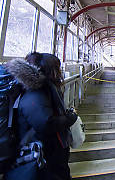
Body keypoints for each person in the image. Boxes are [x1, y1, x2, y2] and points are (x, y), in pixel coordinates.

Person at [5, 52, 77, 180]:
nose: (59, 72)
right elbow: (46, 123)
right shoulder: (36, 92)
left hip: (49, 150)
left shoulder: (44, 88)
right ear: (50, 69)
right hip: (43, 152)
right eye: (57, 68)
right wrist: (70, 118)